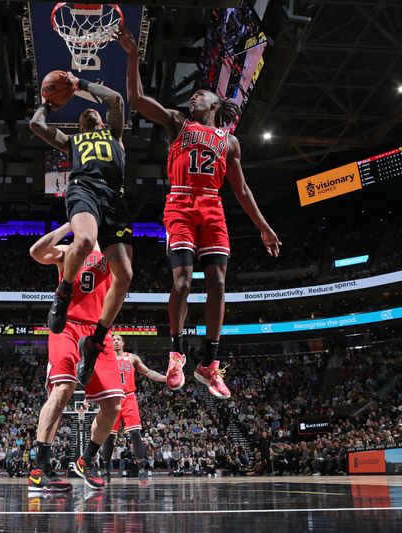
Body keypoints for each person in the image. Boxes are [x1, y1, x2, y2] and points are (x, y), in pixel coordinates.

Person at [117, 28, 281, 399]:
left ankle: (209, 363)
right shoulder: (178, 123)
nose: (193, 96)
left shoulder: (230, 141)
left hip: (213, 206)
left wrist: (264, 228)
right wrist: (131, 57)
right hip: (180, 203)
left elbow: (241, 190)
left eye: (200, 94)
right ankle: (176, 354)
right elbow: (137, 98)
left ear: (215, 104)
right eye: (192, 94)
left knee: (219, 283)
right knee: (182, 284)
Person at [29, 73, 133, 387]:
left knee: (125, 276)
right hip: (83, 191)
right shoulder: (72, 142)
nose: (89, 113)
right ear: (80, 126)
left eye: (93, 112)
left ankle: (96, 340)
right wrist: (46, 105)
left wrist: (81, 84)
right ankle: (63, 294)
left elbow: (115, 99)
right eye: (84, 114)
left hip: (113, 198)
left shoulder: (115, 136)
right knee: (86, 239)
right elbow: (36, 125)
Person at [28, 223, 125, 491]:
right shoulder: (69, 250)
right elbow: (36, 251)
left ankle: (87, 460)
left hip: (98, 330)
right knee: (63, 389)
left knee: (114, 405)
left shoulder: (112, 251)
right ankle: (39, 468)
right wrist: (69, 225)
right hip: (67, 324)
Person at [100, 335, 166, 482]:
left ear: (123, 343)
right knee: (109, 436)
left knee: (135, 433)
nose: (115, 341)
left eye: (118, 339)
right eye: (113, 339)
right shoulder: (106, 358)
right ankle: (105, 470)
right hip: (112, 398)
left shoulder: (132, 358)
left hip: (129, 397)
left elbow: (148, 372)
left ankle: (142, 469)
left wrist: (165, 378)